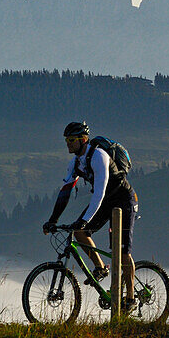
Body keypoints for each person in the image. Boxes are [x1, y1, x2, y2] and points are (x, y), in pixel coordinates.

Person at [43, 121, 137, 310]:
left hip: (124, 200)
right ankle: (101, 268)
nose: (67, 143)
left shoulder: (98, 156)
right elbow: (65, 192)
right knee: (79, 232)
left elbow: (99, 193)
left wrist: (85, 219)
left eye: (71, 140)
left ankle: (131, 297)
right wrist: (53, 220)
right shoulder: (76, 162)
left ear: (83, 139)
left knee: (122, 251)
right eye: (66, 140)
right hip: (106, 201)